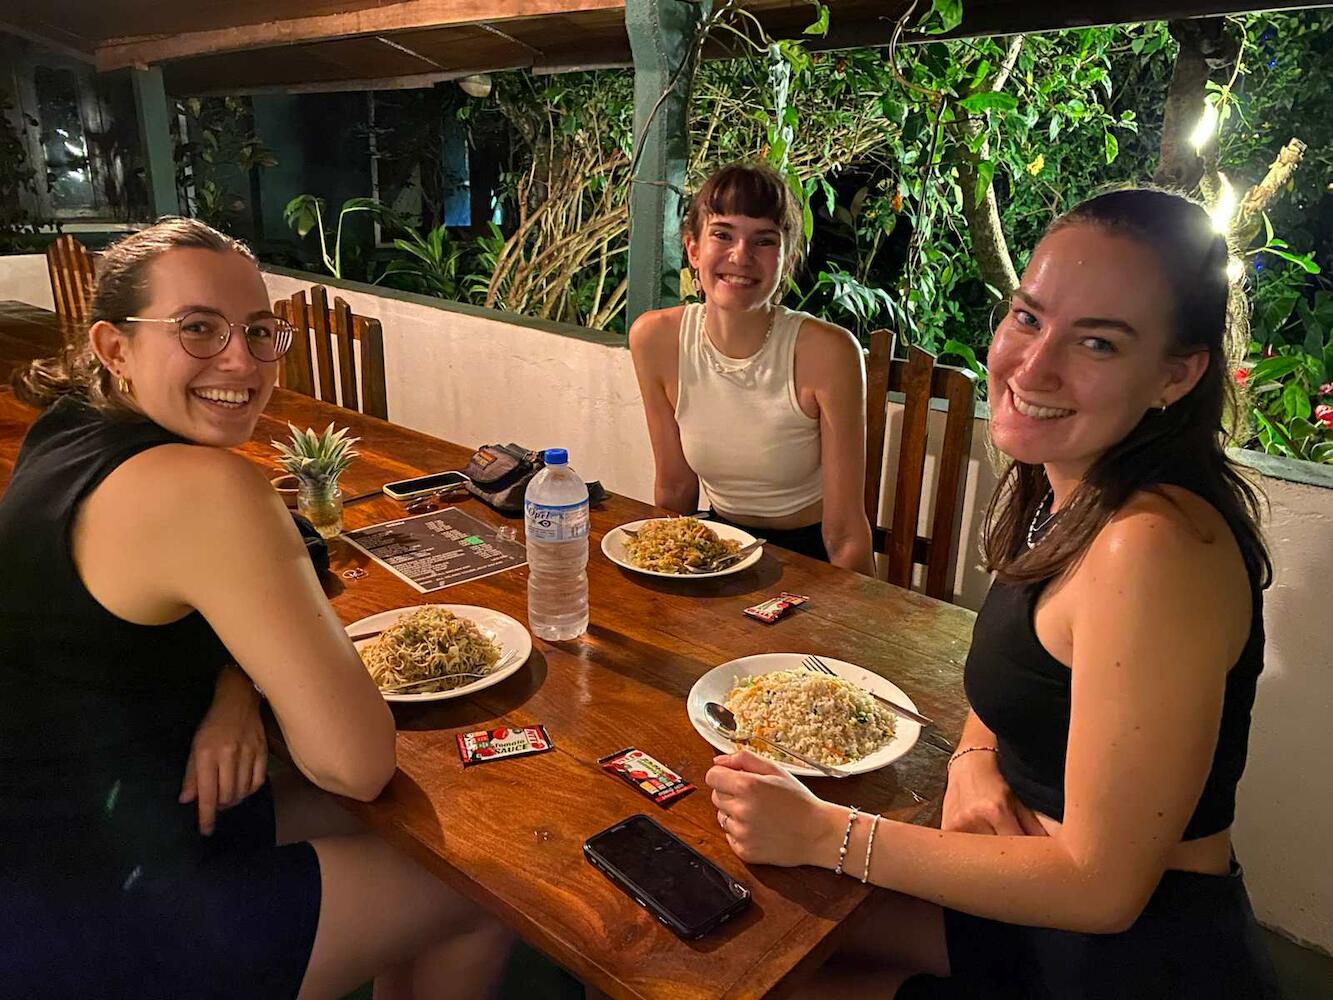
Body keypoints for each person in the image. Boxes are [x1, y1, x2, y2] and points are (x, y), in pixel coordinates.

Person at [705, 189, 1282, 998]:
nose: (1032, 366)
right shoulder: (1061, 486)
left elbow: (1100, 888)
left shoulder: (1152, 548)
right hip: (1024, 904)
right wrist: (976, 757)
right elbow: (1017, 674)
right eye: (1027, 317)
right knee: (753, 940)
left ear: (1176, 374)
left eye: (1099, 344)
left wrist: (825, 832)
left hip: (1124, 957)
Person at [0, 219, 510, 999]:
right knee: (480, 891)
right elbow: (356, 764)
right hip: (99, 905)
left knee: (414, 838)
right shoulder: (203, 488)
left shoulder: (69, 430)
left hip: (92, 825)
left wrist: (235, 687)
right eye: (198, 328)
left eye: (260, 331)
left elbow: (296, 542)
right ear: (114, 347)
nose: (240, 360)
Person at [628, 162, 874, 573]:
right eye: (722, 234)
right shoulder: (654, 340)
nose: (740, 256)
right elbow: (675, 489)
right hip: (717, 550)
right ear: (692, 249)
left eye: (764, 241)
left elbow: (845, 531)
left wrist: (862, 629)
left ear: (787, 257)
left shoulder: (829, 352)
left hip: (809, 558)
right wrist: (659, 581)